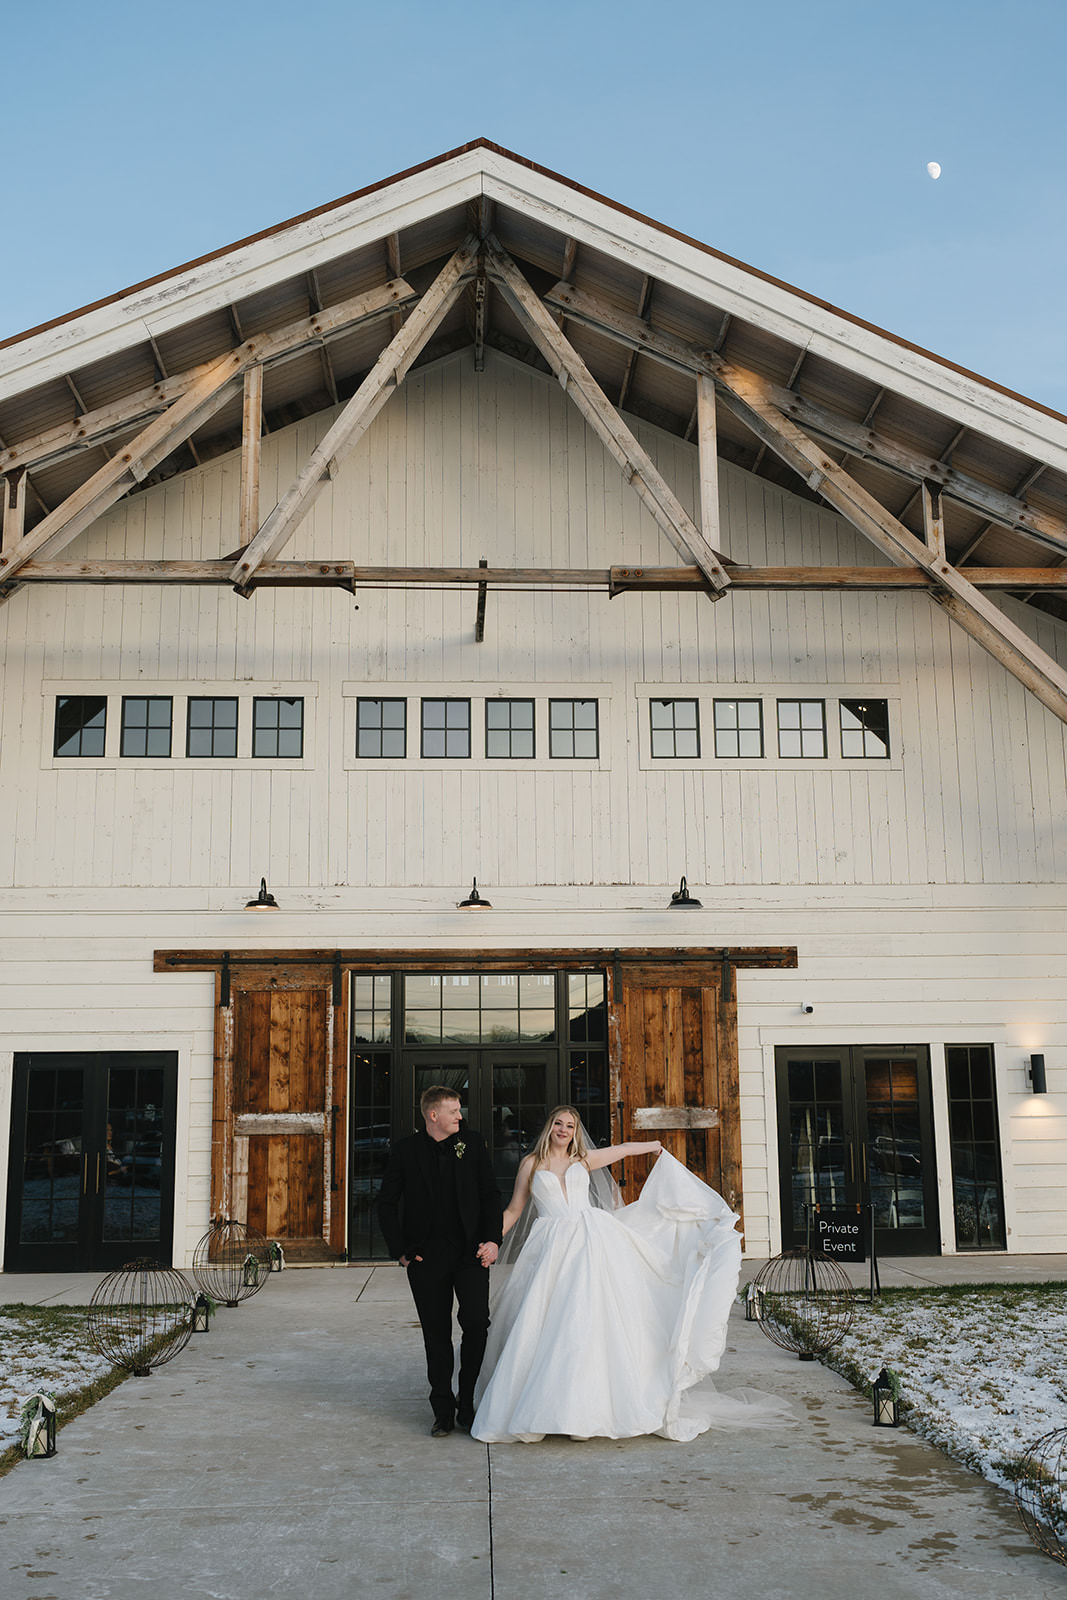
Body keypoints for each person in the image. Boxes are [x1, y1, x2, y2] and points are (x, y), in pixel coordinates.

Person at [471, 1105, 792, 1443]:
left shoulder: (582, 1160)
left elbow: (622, 1150)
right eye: (558, 1124)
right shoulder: (531, 1164)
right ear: (549, 1127)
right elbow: (514, 1209)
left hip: (590, 1243)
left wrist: (654, 1146)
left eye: (570, 1125)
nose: (563, 1130)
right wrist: (492, 1240)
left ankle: (585, 1414)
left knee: (585, 1322)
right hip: (550, 1247)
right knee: (544, 1322)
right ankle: (541, 1409)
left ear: (576, 1132)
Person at [378, 1086, 503, 1436]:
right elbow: (386, 1203)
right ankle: (442, 1409)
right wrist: (400, 1251)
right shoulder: (405, 1151)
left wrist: (493, 1240)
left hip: (471, 1253)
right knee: (436, 1334)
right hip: (425, 1257)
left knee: (476, 1323)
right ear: (433, 1115)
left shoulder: (472, 1143)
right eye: (454, 1111)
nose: (460, 1116)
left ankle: (467, 1401)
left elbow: (491, 1195)